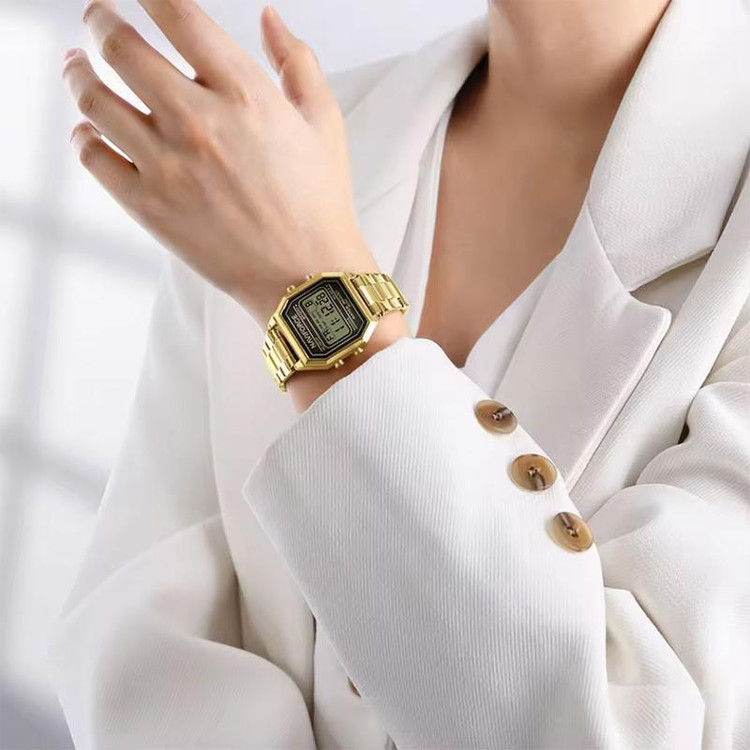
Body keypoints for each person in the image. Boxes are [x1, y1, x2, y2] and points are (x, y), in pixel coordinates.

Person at [51, 0, 750, 747]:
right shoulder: (265, 146)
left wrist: (315, 288)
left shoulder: (265, 169)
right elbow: (138, 655)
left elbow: (634, 726)